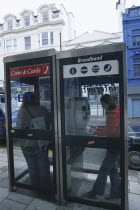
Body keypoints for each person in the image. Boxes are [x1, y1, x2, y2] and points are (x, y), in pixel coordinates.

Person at [82, 94, 121, 200]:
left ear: (107, 103)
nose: (103, 107)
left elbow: (109, 131)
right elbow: (111, 128)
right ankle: (116, 193)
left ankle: (95, 192)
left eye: (103, 105)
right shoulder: (118, 111)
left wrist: (93, 131)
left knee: (103, 170)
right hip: (117, 144)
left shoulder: (113, 113)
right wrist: (98, 128)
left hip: (114, 145)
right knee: (113, 170)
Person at [17, 91, 51, 194]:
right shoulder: (42, 109)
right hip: (40, 143)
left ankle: (35, 188)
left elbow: (20, 125)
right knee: (43, 166)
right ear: (34, 99)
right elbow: (49, 124)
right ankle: (44, 189)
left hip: (25, 144)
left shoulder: (21, 110)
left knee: (31, 166)